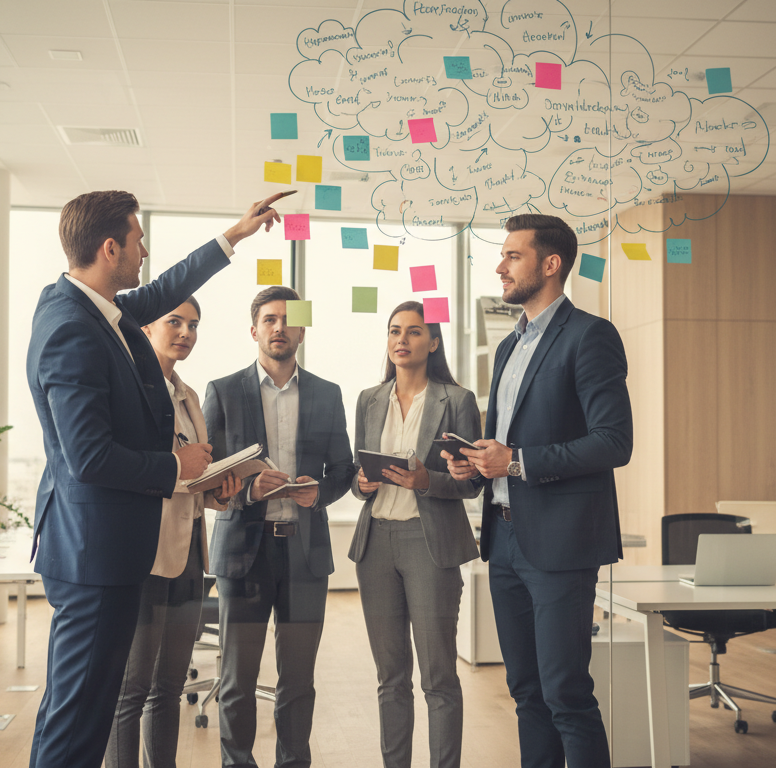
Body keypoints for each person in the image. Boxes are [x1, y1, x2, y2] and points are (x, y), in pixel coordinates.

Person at [26, 189, 288, 768]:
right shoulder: (73, 327)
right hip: (94, 553)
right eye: (138, 240)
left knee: (78, 710)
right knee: (78, 717)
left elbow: (164, 290)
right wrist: (177, 466)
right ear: (110, 246)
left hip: (103, 548)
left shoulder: (93, 309)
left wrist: (235, 236)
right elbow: (88, 458)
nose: (144, 251)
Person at [445, 213, 633, 768]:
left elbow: (613, 442)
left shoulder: (590, 335)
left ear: (550, 265)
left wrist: (518, 462)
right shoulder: (509, 346)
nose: (499, 266)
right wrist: (479, 466)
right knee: (526, 691)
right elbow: (507, 445)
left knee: (566, 694)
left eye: (512, 256)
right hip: (503, 542)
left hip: (561, 545)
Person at [202, 285, 358, 768]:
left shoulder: (327, 393)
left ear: (302, 330)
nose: (279, 328)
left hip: (305, 555)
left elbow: (344, 470)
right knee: (237, 679)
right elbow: (206, 479)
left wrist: (321, 493)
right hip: (243, 554)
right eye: (269, 320)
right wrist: (248, 491)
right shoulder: (223, 391)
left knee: (298, 679)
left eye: (288, 320)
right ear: (254, 329)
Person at [105, 297, 242, 768]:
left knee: (168, 687)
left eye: (194, 325)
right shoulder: (127, 391)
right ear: (145, 328)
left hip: (189, 558)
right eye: (175, 322)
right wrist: (186, 475)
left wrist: (218, 490)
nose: (185, 332)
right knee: (132, 688)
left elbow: (190, 478)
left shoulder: (188, 397)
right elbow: (129, 471)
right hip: (145, 554)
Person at [349, 301, 482, 768]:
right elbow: (355, 472)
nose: (401, 339)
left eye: (413, 331)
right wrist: (361, 484)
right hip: (376, 545)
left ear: (434, 342)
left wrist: (428, 481)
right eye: (394, 331)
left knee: (439, 675)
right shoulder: (369, 398)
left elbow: (474, 480)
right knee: (390, 677)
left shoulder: (457, 400)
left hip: (429, 545)